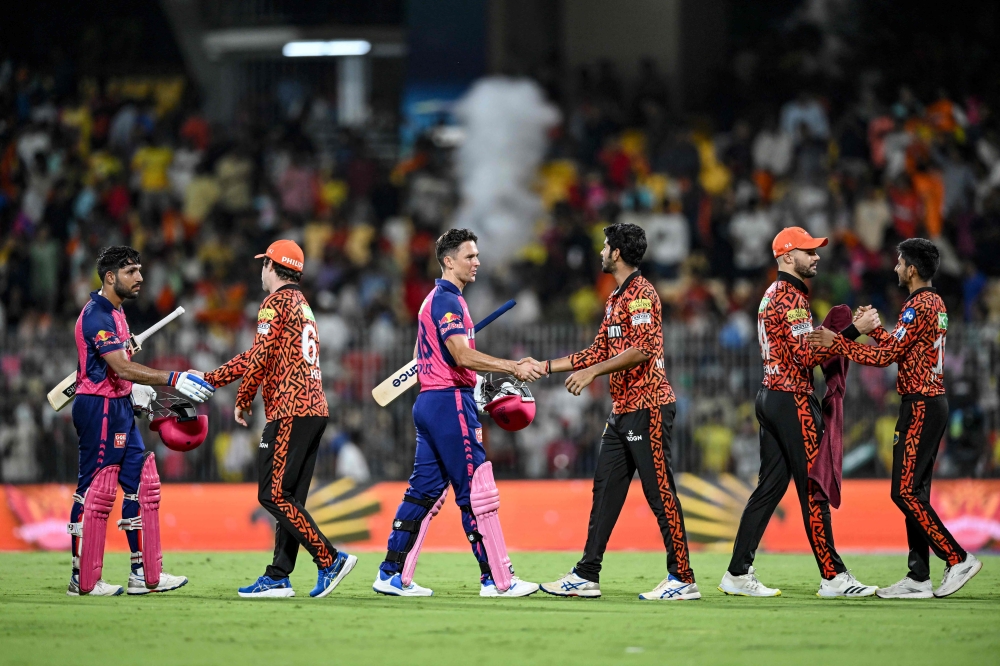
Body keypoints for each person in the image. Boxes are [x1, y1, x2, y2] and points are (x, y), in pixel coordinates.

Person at [372, 228, 542, 598]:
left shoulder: (435, 300)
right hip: (449, 403)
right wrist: (511, 367)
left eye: (477, 255)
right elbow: (462, 356)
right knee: (477, 490)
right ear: (449, 261)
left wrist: (473, 382)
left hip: (430, 402)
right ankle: (498, 580)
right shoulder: (448, 301)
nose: (477, 262)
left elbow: (447, 361)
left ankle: (391, 574)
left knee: (425, 492)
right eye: (469, 256)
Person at [808, 238, 982, 599]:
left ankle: (957, 557)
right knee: (915, 492)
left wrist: (838, 342)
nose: (895, 268)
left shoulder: (918, 305)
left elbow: (885, 357)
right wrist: (873, 332)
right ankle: (918, 576)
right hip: (930, 401)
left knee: (903, 492)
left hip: (920, 405)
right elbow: (903, 350)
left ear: (912, 269)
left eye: (900, 262)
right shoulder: (933, 303)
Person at [538, 222, 699, 601]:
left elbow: (644, 348)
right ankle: (587, 574)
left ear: (618, 253)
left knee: (660, 494)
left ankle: (683, 578)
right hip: (624, 409)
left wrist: (592, 372)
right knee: (605, 491)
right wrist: (545, 366)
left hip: (649, 407)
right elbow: (596, 351)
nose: (600, 252)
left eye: (605, 246)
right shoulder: (616, 298)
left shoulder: (641, 294)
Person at [718, 227, 880, 598]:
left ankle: (738, 573)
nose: (817, 256)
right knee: (814, 488)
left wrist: (836, 331)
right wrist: (854, 330)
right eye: (809, 250)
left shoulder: (772, 295)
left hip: (770, 395)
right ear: (788, 257)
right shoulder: (792, 299)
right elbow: (807, 356)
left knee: (769, 489)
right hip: (793, 399)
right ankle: (833, 576)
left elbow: (801, 347)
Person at [199, 240, 355, 599]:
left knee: (271, 494)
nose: (260, 270)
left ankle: (329, 560)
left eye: (263, 264)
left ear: (271, 266)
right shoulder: (301, 304)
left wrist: (242, 398)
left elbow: (260, 358)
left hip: (289, 409)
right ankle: (279, 575)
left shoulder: (274, 303)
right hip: (314, 409)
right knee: (289, 500)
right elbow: (257, 353)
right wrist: (211, 378)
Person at [68, 246, 215, 596]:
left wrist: (134, 388)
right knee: (93, 490)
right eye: (131, 271)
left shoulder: (117, 313)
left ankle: (142, 573)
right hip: (98, 407)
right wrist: (172, 379)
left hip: (119, 405)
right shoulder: (97, 316)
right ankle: (81, 577)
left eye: (139, 270)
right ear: (110, 277)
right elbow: (119, 366)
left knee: (142, 482)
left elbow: (120, 367)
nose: (140, 277)